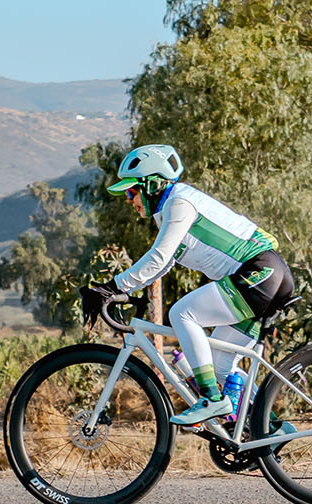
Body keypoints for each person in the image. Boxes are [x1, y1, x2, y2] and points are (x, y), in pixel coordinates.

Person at [86, 144, 295, 425]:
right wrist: (127, 290)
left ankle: (211, 399)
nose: (128, 199)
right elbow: (167, 262)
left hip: (258, 272)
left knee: (182, 313)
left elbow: (158, 257)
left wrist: (113, 287)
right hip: (265, 276)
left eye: (131, 191)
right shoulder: (169, 210)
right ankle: (272, 429)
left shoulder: (180, 203)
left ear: (151, 185)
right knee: (221, 366)